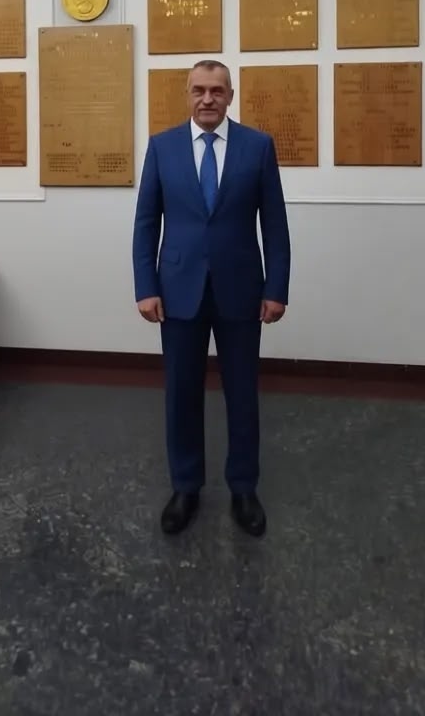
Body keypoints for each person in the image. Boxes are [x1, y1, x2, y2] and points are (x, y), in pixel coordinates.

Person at [132, 59, 291, 537]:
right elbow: (146, 223)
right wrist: (145, 286)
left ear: (230, 96)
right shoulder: (162, 147)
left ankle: (243, 488)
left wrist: (276, 288)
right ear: (187, 95)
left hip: (241, 289)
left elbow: (275, 225)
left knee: (242, 393)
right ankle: (186, 487)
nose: (207, 99)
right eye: (199, 90)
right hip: (178, 289)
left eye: (217, 90)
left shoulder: (257, 147)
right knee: (181, 393)